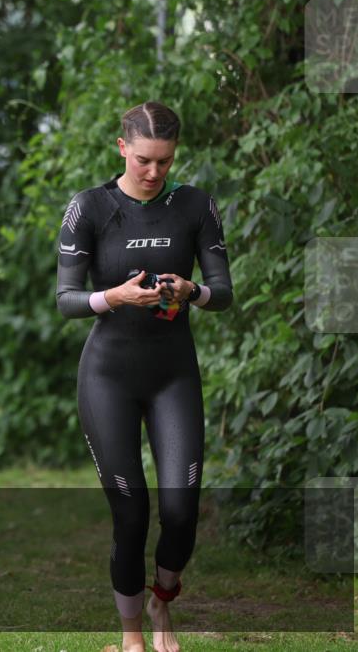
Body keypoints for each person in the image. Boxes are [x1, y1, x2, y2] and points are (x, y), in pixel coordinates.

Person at [56, 101, 233, 652]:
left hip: (172, 373)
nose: (154, 172)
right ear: (121, 149)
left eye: (165, 161)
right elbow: (65, 300)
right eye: (143, 160)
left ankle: (163, 599)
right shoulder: (89, 207)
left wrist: (191, 291)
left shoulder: (195, 206)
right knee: (130, 513)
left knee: (180, 511)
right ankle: (132, 633)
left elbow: (222, 292)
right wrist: (115, 296)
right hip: (108, 375)